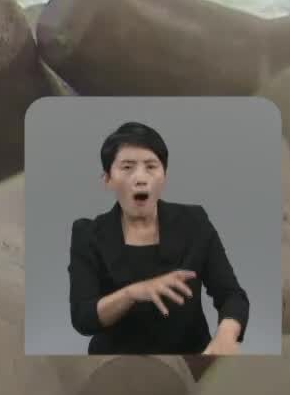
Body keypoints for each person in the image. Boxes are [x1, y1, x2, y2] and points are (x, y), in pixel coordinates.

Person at [67, 121, 248, 355]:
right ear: (108, 179)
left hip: (190, 359)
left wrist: (226, 335)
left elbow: (232, 295)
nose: (140, 178)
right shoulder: (88, 234)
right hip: (117, 364)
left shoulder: (194, 222)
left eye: (151, 166)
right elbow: (83, 317)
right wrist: (131, 293)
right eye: (127, 167)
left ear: (164, 176)